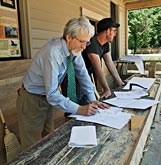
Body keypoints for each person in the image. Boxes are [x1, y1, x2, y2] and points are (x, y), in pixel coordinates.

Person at [16, 17, 109, 151]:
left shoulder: (74, 50)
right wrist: (79, 109)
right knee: (32, 148)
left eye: (87, 43)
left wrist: (93, 100)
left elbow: (83, 74)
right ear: (69, 37)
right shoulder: (53, 52)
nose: (84, 47)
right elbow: (53, 94)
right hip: (32, 99)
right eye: (82, 42)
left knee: (48, 141)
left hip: (46, 99)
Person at [82, 18, 125, 99]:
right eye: (114, 31)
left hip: (85, 75)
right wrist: (106, 89)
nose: (115, 34)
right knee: (78, 101)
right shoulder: (92, 43)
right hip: (75, 77)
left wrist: (120, 83)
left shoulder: (105, 44)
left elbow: (110, 63)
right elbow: (97, 68)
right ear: (108, 31)